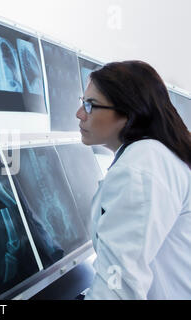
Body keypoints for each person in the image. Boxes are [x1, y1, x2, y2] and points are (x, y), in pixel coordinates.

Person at [76, 60, 191, 299]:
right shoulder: (158, 154)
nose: (79, 114)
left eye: (90, 105)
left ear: (128, 113)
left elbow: (119, 285)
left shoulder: (142, 164)